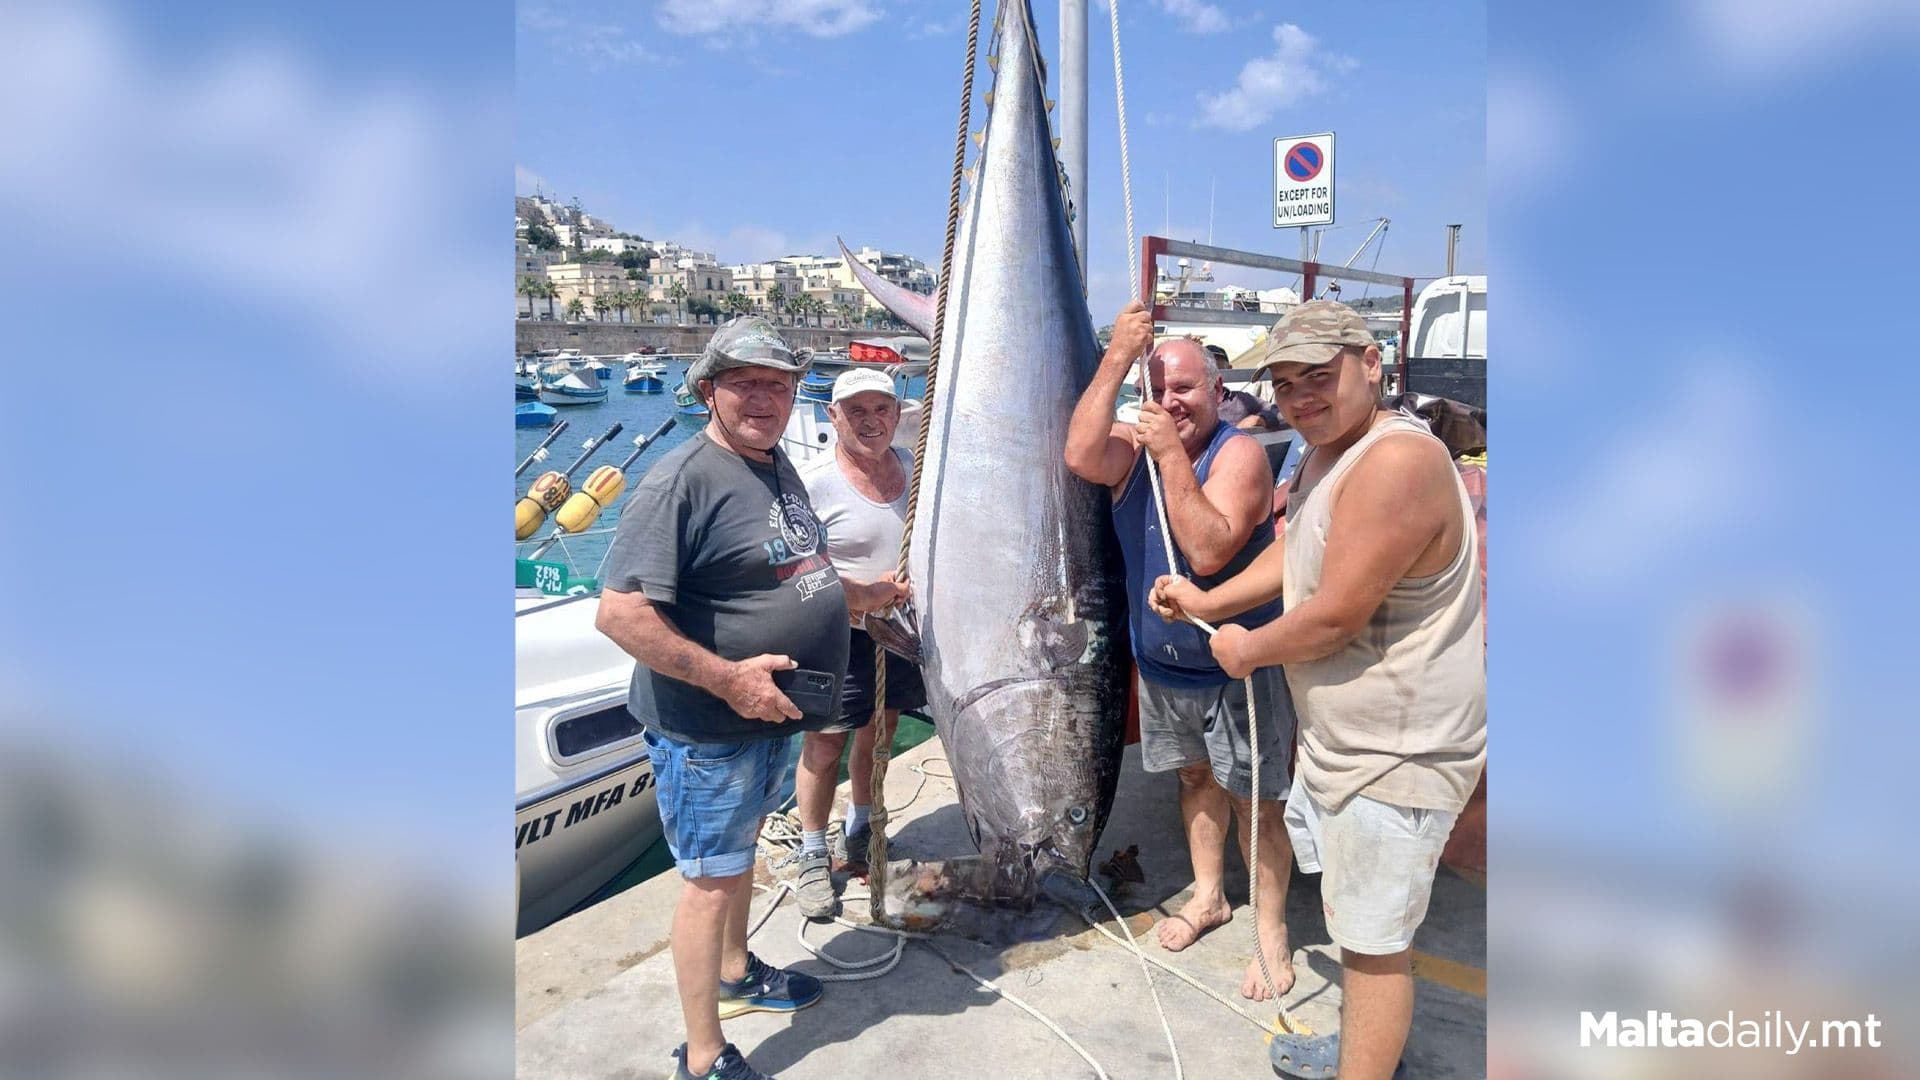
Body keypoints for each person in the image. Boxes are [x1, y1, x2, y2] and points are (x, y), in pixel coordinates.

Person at [1149, 299, 1486, 1080]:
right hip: (1349, 745)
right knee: (1357, 926)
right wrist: (1209, 602)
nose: (1301, 398)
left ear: (1373, 363)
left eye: (1319, 377)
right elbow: (1296, 548)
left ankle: (1365, 1068)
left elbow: (1334, 615)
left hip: (1398, 753)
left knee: (1372, 948)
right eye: (1286, 382)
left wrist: (1245, 649)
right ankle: (1365, 1050)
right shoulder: (1328, 450)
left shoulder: (1397, 461)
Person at [595, 316, 903, 1080]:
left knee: (733, 866)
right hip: (709, 727)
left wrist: (863, 595)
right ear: (709, 391)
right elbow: (620, 612)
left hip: (769, 721)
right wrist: (729, 678)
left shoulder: (775, 464)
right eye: (746, 382)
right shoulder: (681, 479)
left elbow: (799, 568)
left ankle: (736, 975)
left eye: (778, 383)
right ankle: (703, 1055)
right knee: (708, 882)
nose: (764, 397)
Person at [1065, 300, 1298, 1002]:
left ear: (1218, 393)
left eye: (1186, 389)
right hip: (1164, 668)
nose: (1170, 402)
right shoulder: (1130, 457)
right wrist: (1115, 357)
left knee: (1256, 802)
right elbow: (1079, 453)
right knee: (1195, 780)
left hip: (1237, 669)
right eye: (1157, 390)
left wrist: (1168, 452)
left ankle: (1273, 930)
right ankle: (1208, 895)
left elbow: (1206, 547)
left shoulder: (1242, 455)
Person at [791, 368, 923, 917]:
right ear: (833, 416)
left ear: (896, 414)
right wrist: (861, 597)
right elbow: (796, 570)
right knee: (824, 745)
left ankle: (863, 825)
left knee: (882, 730)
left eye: (881, 409)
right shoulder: (812, 480)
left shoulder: (913, 470)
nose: (871, 421)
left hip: (900, 631)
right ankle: (812, 852)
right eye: (856, 411)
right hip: (837, 634)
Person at [1205, 342, 1281, 432]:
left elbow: (1280, 412)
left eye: (1218, 366)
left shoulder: (1242, 399)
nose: (1213, 371)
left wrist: (1260, 419)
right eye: (1207, 367)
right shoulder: (1192, 401)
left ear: (1229, 369)